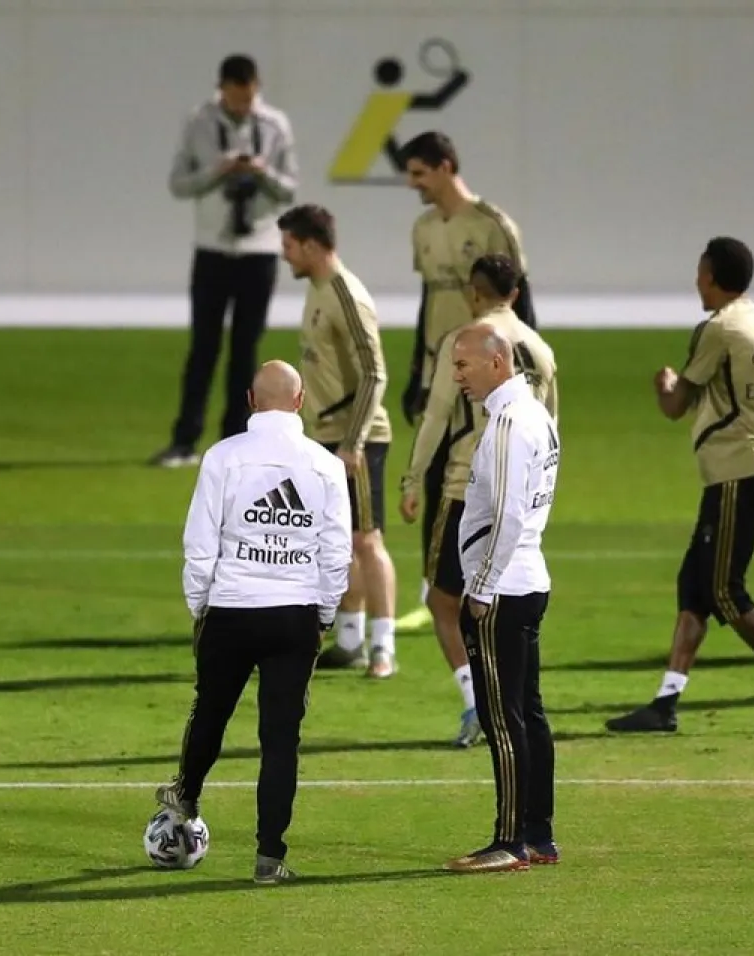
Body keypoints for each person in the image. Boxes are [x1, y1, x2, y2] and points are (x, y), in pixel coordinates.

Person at [605, 237, 754, 735]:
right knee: (693, 585)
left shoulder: (716, 330)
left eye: (700, 273)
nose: (696, 282)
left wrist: (664, 386)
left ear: (713, 277)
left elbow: (677, 408)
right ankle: (665, 702)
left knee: (722, 590)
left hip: (737, 471)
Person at [157, 360, 352, 885]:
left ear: (248, 400)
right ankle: (270, 857)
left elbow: (200, 542)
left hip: (233, 608)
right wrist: (325, 613)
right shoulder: (326, 466)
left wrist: (200, 605)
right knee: (281, 739)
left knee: (211, 711)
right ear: (300, 399)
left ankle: (186, 794)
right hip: (294, 616)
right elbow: (336, 552)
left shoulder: (223, 457)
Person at [401, 254, 558, 748]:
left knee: (445, 602)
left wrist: (411, 477)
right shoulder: (540, 349)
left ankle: (478, 703)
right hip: (528, 490)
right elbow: (553, 428)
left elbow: (436, 416)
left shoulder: (464, 341)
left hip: (465, 487)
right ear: (515, 292)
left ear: (475, 292)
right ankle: (500, 705)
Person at [395, 131, 534, 635]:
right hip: (441, 371)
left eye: (419, 174)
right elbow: (426, 302)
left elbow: (523, 305)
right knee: (436, 479)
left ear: (446, 166)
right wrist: (417, 373)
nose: (414, 185)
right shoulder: (424, 228)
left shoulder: (494, 226)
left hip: (486, 377)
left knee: (484, 477)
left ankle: (492, 584)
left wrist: (524, 377)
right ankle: (437, 590)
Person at [440, 322, 559, 874]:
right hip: (528, 579)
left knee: (502, 718)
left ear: (496, 361)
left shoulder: (509, 424)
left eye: (463, 364)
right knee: (528, 714)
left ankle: (510, 841)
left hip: (503, 590)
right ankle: (538, 834)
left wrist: (481, 588)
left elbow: (508, 513)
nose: (456, 375)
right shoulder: (535, 414)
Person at [151, 55, 300, 468]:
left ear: (256, 86)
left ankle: (236, 440)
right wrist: (218, 171)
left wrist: (262, 172)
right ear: (222, 89)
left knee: (245, 351)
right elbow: (178, 183)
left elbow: (289, 188)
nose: (241, 105)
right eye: (234, 97)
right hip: (213, 249)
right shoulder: (199, 122)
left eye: (247, 96)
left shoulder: (274, 125)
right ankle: (184, 441)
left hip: (259, 249)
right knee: (203, 348)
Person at [277, 204, 398, 678]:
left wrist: (353, 443)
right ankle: (349, 639)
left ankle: (383, 648)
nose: (285, 256)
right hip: (325, 435)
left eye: (288, 246)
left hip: (355, 439)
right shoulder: (317, 291)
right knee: (336, 540)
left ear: (310, 245)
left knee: (367, 540)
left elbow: (374, 372)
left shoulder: (347, 295)